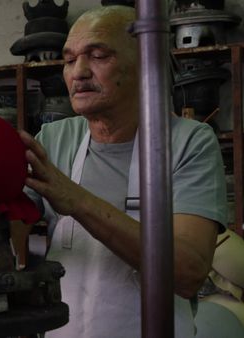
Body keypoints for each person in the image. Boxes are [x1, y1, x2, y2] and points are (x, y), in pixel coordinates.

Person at [20, 5, 227, 338]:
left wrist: (76, 200)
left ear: (145, 63)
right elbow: (7, 228)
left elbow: (188, 273)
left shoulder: (189, 142)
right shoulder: (56, 139)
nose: (79, 72)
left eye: (99, 55)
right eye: (70, 60)